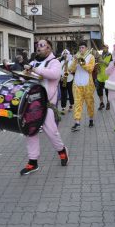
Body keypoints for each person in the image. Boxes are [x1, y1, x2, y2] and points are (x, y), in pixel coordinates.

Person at [19, 39, 69, 175]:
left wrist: (34, 70)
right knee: (30, 131)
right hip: (32, 103)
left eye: (42, 46)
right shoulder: (34, 62)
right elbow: (25, 78)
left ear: (49, 48)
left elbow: (54, 75)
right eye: (38, 46)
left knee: (51, 132)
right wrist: (23, 75)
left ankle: (62, 151)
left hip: (47, 104)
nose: (39, 48)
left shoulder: (55, 62)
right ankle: (33, 162)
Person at [69, 41, 96, 132]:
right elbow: (70, 69)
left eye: (83, 47)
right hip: (77, 84)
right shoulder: (76, 57)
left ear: (86, 48)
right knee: (77, 103)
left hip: (87, 84)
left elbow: (90, 69)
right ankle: (77, 123)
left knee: (90, 103)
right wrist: (75, 61)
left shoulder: (91, 57)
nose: (81, 49)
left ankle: (91, 119)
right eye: (80, 48)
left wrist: (81, 62)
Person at [96, 44, 112, 110]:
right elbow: (98, 64)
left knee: (107, 91)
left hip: (107, 77)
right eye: (103, 47)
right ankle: (101, 103)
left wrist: (103, 61)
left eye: (105, 47)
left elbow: (112, 65)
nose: (104, 48)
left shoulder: (110, 55)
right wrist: (97, 67)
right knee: (99, 90)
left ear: (107, 48)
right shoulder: (99, 55)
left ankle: (108, 103)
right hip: (99, 76)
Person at [59, 49, 74, 115]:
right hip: (62, 80)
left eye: (66, 53)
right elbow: (59, 70)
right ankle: (63, 107)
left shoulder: (71, 62)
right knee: (63, 94)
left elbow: (72, 70)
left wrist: (70, 72)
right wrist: (60, 77)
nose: (65, 55)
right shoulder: (61, 62)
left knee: (70, 93)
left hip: (70, 79)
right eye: (64, 53)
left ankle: (71, 105)